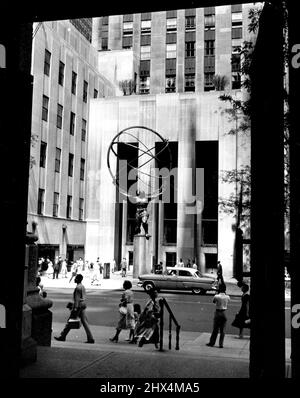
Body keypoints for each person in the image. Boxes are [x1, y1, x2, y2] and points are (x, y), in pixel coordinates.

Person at [54, 274, 94, 343]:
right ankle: (90, 338)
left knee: (70, 321)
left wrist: (75, 308)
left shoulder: (77, 288)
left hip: (78, 306)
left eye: (75, 278)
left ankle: (63, 336)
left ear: (78, 279)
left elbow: (77, 299)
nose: (74, 279)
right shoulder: (82, 286)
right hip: (83, 305)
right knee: (84, 322)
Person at [206, 283, 230, 348]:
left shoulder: (216, 296)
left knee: (215, 329)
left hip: (218, 312)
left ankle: (212, 342)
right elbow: (227, 302)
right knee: (223, 329)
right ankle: (221, 344)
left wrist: (216, 293)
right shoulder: (228, 297)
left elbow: (214, 302)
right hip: (224, 312)